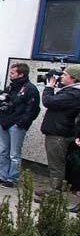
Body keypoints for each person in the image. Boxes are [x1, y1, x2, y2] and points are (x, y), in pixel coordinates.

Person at [0, 63, 40, 188]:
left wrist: (21, 123)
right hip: (5, 122)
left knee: (14, 153)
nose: (10, 75)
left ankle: (12, 178)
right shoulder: (10, 87)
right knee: (4, 151)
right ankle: (2, 176)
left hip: (16, 125)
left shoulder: (30, 89)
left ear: (21, 74)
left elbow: (33, 110)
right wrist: (1, 113)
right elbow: (4, 101)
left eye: (13, 73)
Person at [39, 64, 80, 194]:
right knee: (57, 163)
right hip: (59, 130)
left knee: (56, 164)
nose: (62, 76)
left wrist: (49, 87)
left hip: (59, 133)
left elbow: (49, 101)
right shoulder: (71, 91)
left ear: (73, 79)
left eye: (65, 75)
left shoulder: (74, 93)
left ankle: (54, 191)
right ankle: (55, 188)